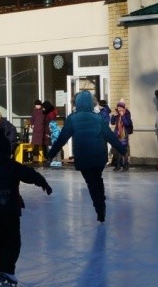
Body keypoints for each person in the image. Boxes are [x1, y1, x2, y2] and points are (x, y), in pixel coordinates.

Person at [0, 133, 52, 287]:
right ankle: (8, 270)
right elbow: (29, 174)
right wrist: (43, 182)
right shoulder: (11, 166)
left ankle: (2, 271)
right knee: (14, 242)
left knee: (0, 243)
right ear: (7, 151)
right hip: (10, 210)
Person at [44, 90, 128, 223]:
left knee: (91, 182)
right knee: (97, 177)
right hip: (99, 156)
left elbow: (62, 138)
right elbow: (110, 136)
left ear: (77, 103)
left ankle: (99, 207)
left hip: (83, 156)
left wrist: (51, 154)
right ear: (91, 103)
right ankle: (101, 202)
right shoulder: (98, 118)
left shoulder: (72, 118)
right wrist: (122, 149)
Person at [110, 100, 134, 170]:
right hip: (117, 134)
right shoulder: (117, 115)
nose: (119, 109)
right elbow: (112, 123)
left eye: (120, 107)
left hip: (124, 134)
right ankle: (118, 165)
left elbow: (127, 124)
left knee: (124, 150)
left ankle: (126, 165)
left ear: (123, 108)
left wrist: (123, 116)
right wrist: (113, 116)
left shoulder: (126, 114)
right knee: (118, 150)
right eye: (118, 107)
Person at [29, 99, 47, 164]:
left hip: (42, 130)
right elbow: (32, 119)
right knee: (35, 145)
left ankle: (45, 158)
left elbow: (46, 120)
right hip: (36, 130)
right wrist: (32, 124)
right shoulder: (34, 112)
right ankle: (35, 158)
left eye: (38, 105)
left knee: (44, 144)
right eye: (36, 105)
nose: (37, 106)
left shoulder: (43, 111)